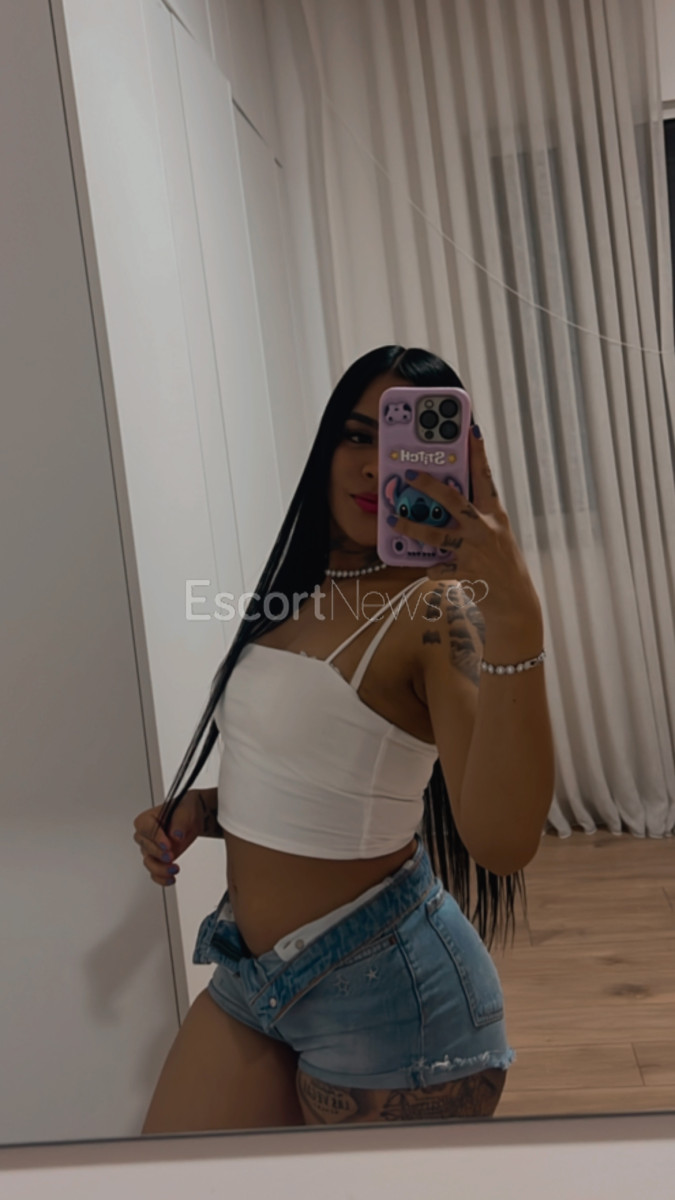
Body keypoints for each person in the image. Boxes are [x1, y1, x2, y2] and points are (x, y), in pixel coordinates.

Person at [134, 345, 554, 1133]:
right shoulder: (301, 587)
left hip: (391, 1001)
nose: (373, 468)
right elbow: (319, 765)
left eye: (402, 447)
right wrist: (206, 809)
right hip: (251, 973)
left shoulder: (438, 610)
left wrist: (516, 619)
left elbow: (501, 841)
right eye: (357, 436)